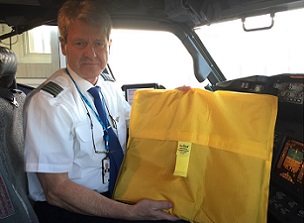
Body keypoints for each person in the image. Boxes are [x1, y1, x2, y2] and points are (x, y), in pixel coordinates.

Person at [24, 1, 188, 222]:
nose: (91, 53)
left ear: (109, 45)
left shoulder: (107, 88)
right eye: (80, 43)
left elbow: (139, 125)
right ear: (64, 45)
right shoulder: (50, 103)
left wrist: (174, 102)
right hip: (70, 210)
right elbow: (56, 190)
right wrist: (130, 213)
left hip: (113, 197)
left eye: (99, 43)